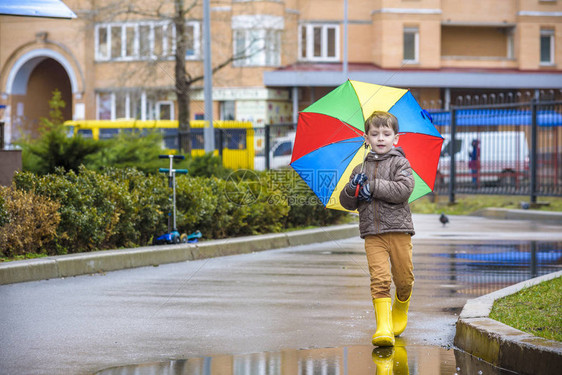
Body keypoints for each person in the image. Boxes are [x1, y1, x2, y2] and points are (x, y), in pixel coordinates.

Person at [339, 111, 415, 347]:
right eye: (375, 134)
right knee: (379, 279)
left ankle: (400, 306)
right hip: (372, 234)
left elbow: (403, 190)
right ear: (366, 138)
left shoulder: (400, 163)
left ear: (396, 138)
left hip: (399, 231)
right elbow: (347, 202)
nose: (380, 138)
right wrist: (353, 188)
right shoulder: (359, 169)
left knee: (404, 279)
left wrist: (372, 186)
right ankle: (383, 327)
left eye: (386, 133)